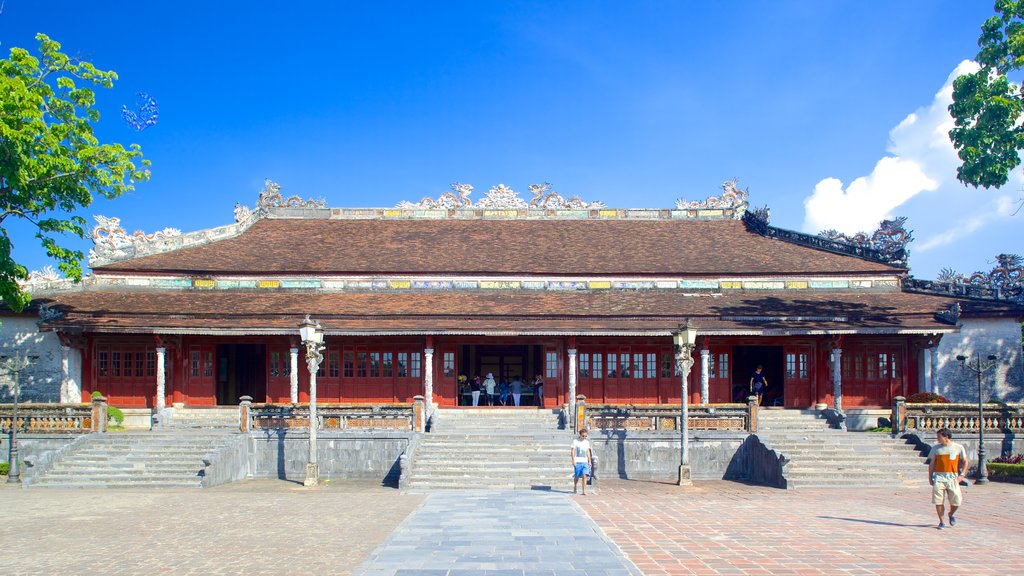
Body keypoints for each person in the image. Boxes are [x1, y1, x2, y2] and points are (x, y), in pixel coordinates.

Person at [927, 427, 968, 529]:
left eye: (939, 437)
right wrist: (930, 477)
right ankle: (941, 521)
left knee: (956, 500)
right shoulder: (936, 449)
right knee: (938, 500)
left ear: (946, 437)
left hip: (952, 477)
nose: (938, 439)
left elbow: (965, 461)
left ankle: (951, 514)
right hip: (939, 477)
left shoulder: (958, 448)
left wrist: (962, 474)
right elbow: (932, 464)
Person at [571, 428, 593, 495]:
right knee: (577, 476)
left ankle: (584, 490)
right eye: (583, 436)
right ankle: (575, 486)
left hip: (585, 461)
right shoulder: (575, 441)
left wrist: (589, 461)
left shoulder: (587, 442)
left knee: (584, 475)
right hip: (578, 461)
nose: (584, 437)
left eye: (586, 436)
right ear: (580, 435)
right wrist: (573, 460)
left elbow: (588, 451)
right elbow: (573, 451)